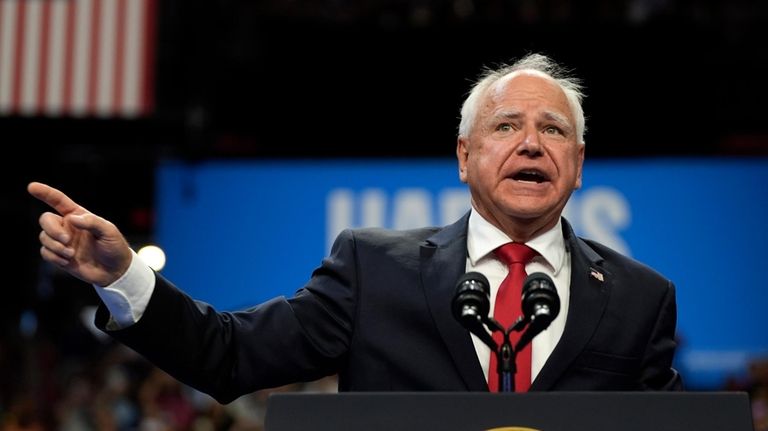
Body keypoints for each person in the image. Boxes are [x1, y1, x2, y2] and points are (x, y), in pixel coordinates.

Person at [29, 53, 682, 404]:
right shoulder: (375, 269)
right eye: (507, 126)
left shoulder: (638, 296)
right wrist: (123, 275)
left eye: (554, 130)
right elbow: (229, 355)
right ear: (464, 155)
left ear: (577, 168)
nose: (532, 144)